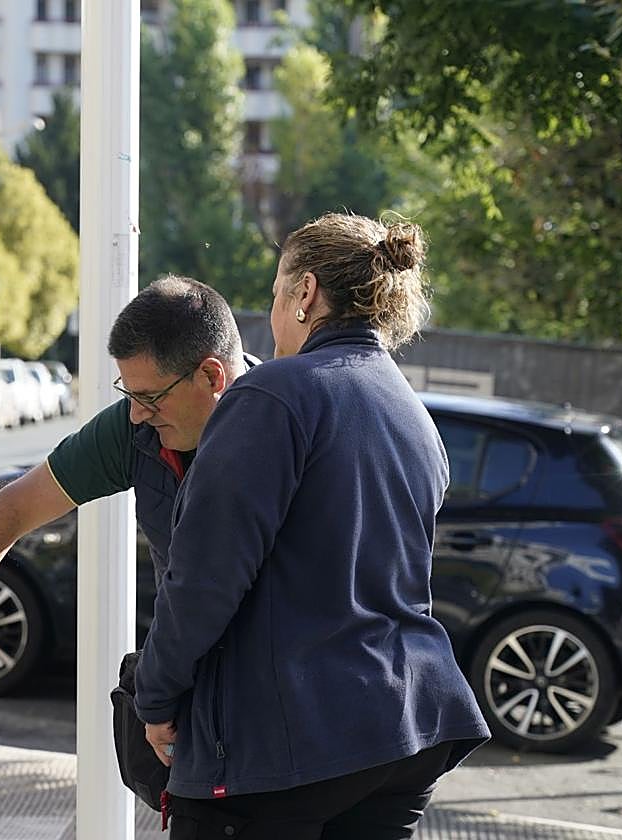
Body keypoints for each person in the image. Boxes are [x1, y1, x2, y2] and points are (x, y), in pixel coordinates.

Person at [135, 213, 490, 839]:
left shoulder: (272, 395)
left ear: (305, 295)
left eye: (276, 292)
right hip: (403, 732)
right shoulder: (413, 415)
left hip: (284, 749)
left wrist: (156, 698)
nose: (271, 317)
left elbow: (202, 580)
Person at [0, 275, 254, 677]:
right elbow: (13, 509)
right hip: (192, 687)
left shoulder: (290, 425)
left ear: (211, 377)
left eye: (151, 398)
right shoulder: (135, 429)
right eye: (129, 395)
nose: (137, 414)